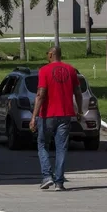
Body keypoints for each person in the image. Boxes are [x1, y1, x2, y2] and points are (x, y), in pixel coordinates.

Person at [29, 45, 83, 191]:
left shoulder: (44, 70)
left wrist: (34, 117)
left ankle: (47, 176)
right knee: (61, 148)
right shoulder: (71, 70)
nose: (47, 55)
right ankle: (59, 182)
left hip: (47, 116)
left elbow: (41, 94)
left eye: (48, 53)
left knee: (42, 144)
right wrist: (79, 110)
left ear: (52, 54)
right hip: (65, 115)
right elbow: (78, 92)